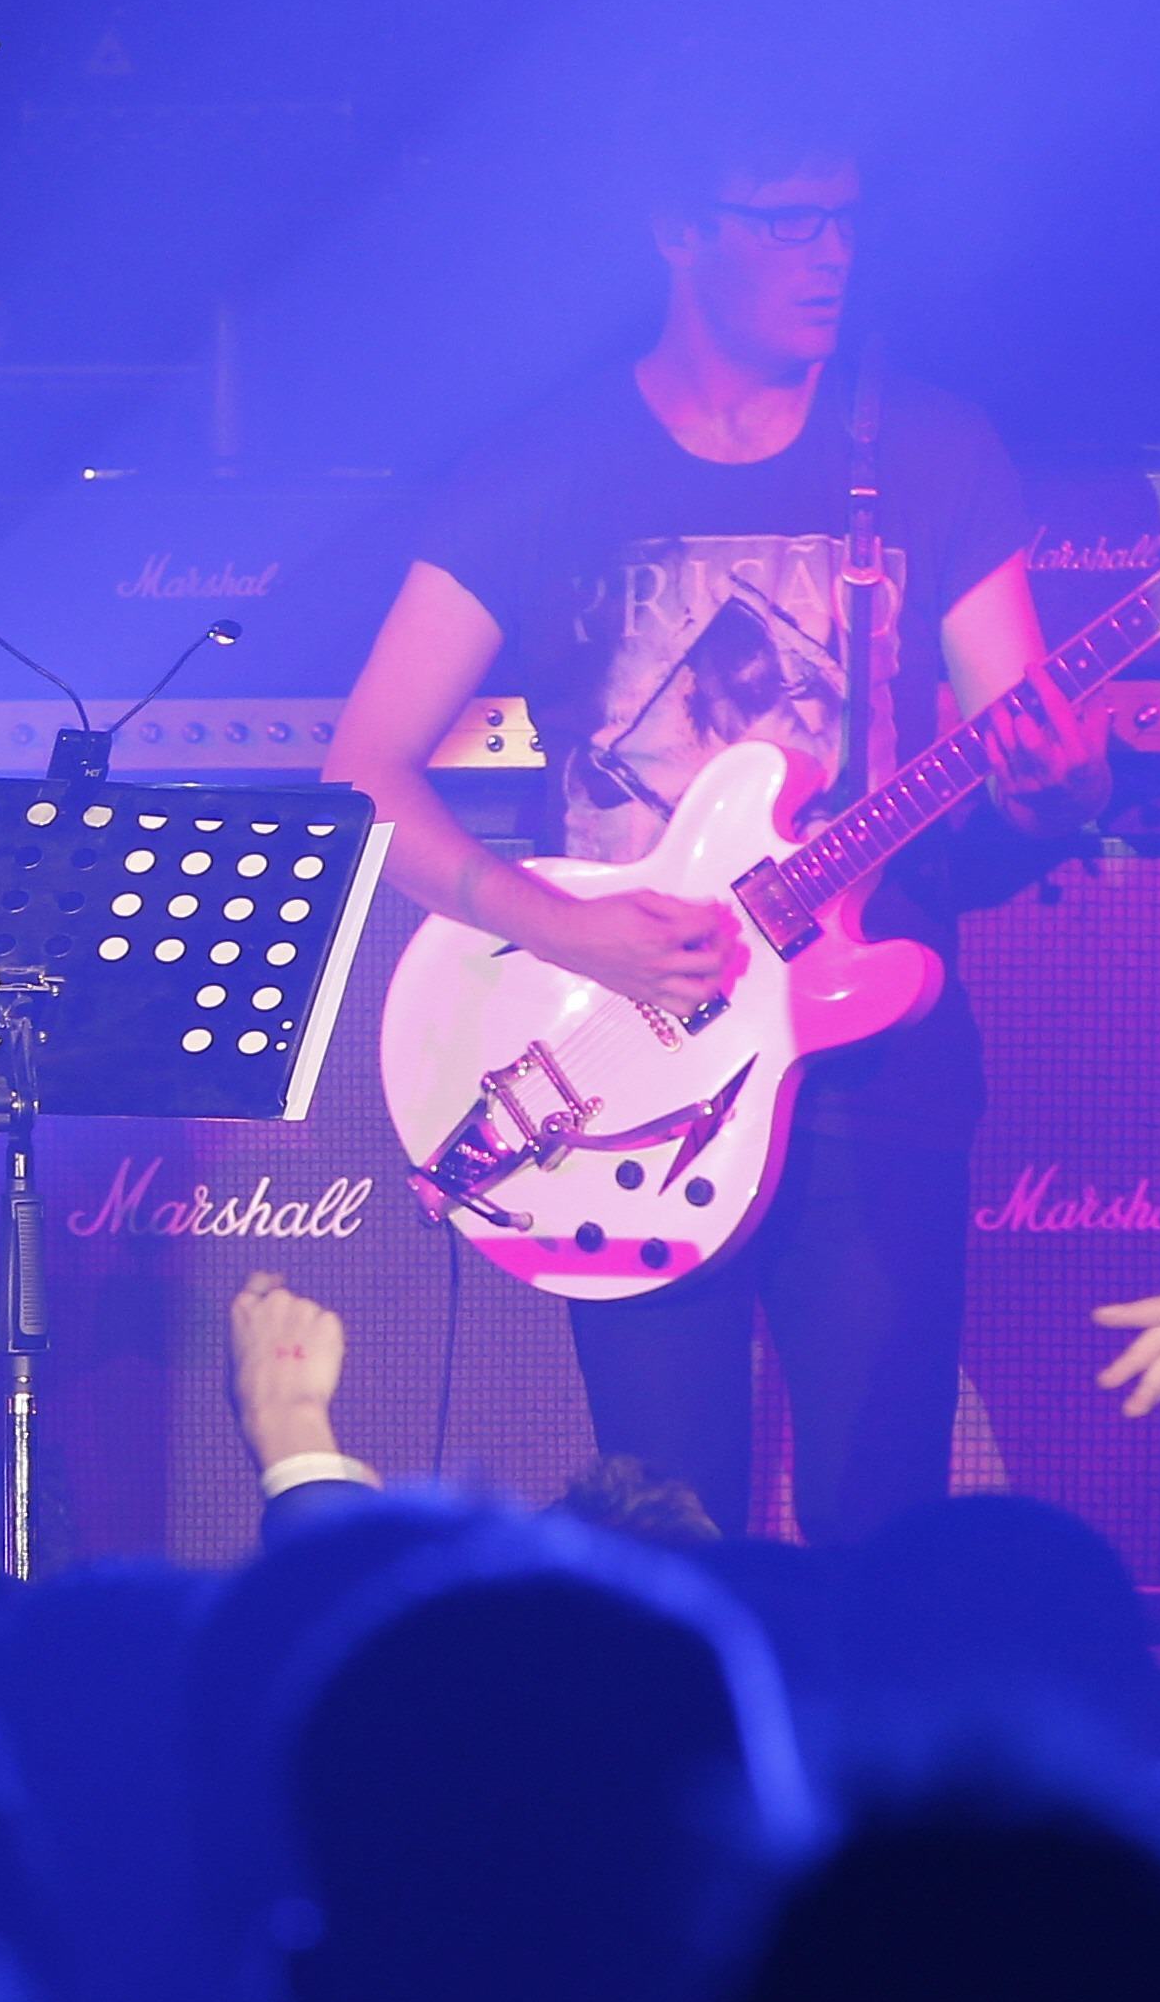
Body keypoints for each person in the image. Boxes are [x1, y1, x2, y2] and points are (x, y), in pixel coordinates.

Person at [322, 77, 1103, 1543]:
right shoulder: (544, 464)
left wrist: (1054, 794)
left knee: (884, 1532)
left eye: (847, 224)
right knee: (671, 1530)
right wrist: (572, 930)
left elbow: (1007, 793)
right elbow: (364, 770)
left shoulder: (932, 451)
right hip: (625, 1074)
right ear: (677, 231)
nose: (833, 256)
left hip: (871, 1074)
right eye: (789, 224)